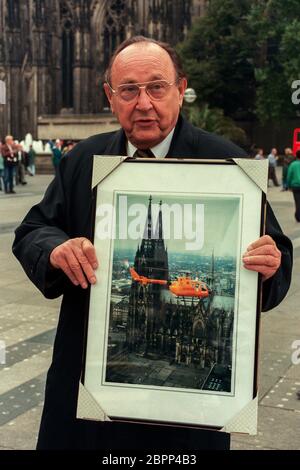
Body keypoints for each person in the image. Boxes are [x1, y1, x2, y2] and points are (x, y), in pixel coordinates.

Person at [12, 36, 292, 450]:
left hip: (186, 421)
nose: (143, 103)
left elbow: (279, 258)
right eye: (128, 90)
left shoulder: (229, 166)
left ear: (180, 90)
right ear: (110, 97)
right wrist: (55, 250)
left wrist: (270, 264)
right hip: (87, 397)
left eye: (156, 87)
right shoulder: (81, 161)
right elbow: (33, 231)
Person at [287, 149, 300, 222]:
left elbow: (289, 175)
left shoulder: (293, 164)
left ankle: (298, 216)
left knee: (297, 201)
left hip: (295, 186)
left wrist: (288, 185)